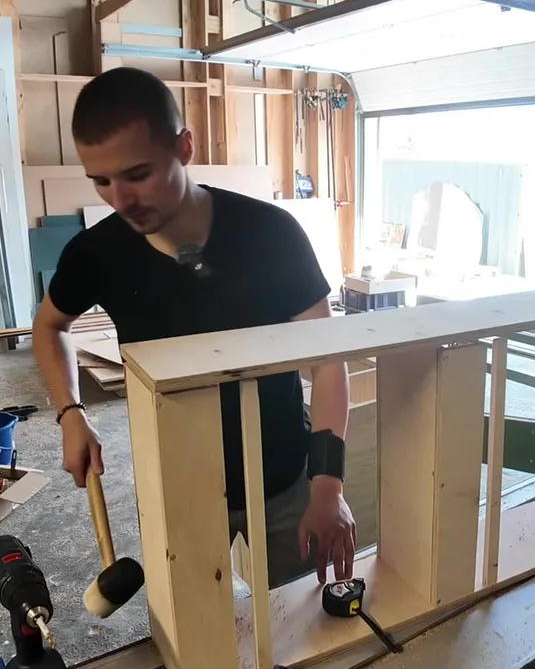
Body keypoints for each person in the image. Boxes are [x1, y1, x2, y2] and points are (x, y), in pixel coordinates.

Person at [31, 67, 355, 588]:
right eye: (101, 181)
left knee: (305, 616)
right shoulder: (96, 253)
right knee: (190, 624)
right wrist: (71, 413)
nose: (121, 200)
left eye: (138, 174)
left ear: (184, 147)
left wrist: (327, 486)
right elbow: (50, 325)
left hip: (286, 477)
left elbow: (328, 360)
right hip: (177, 487)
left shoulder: (269, 235)